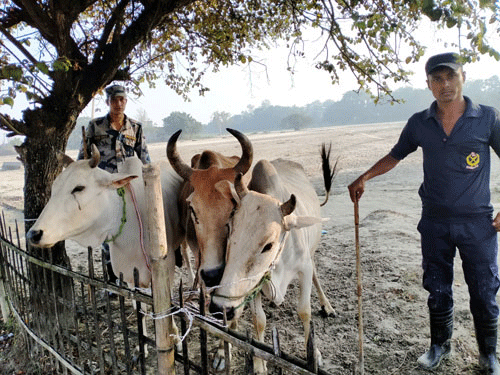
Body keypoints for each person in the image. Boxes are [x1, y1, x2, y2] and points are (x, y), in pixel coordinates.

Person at [348, 52, 500, 374]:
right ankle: (439, 346)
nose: (445, 85)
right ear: (429, 84)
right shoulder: (419, 122)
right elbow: (395, 155)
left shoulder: (488, 118)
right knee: (437, 289)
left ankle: (488, 355)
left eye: (451, 77)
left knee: (485, 292)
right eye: (438, 79)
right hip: (434, 223)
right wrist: (364, 177)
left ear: (463, 77)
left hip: (478, 224)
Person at [78, 84, 151, 284]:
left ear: (126, 101)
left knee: (130, 231)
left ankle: (131, 273)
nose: (119, 104)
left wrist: (150, 179)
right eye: (114, 100)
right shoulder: (95, 126)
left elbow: (144, 158)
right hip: (104, 188)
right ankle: (112, 280)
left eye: (122, 100)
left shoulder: (135, 127)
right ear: (108, 102)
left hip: (128, 187)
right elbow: (83, 160)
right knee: (107, 236)